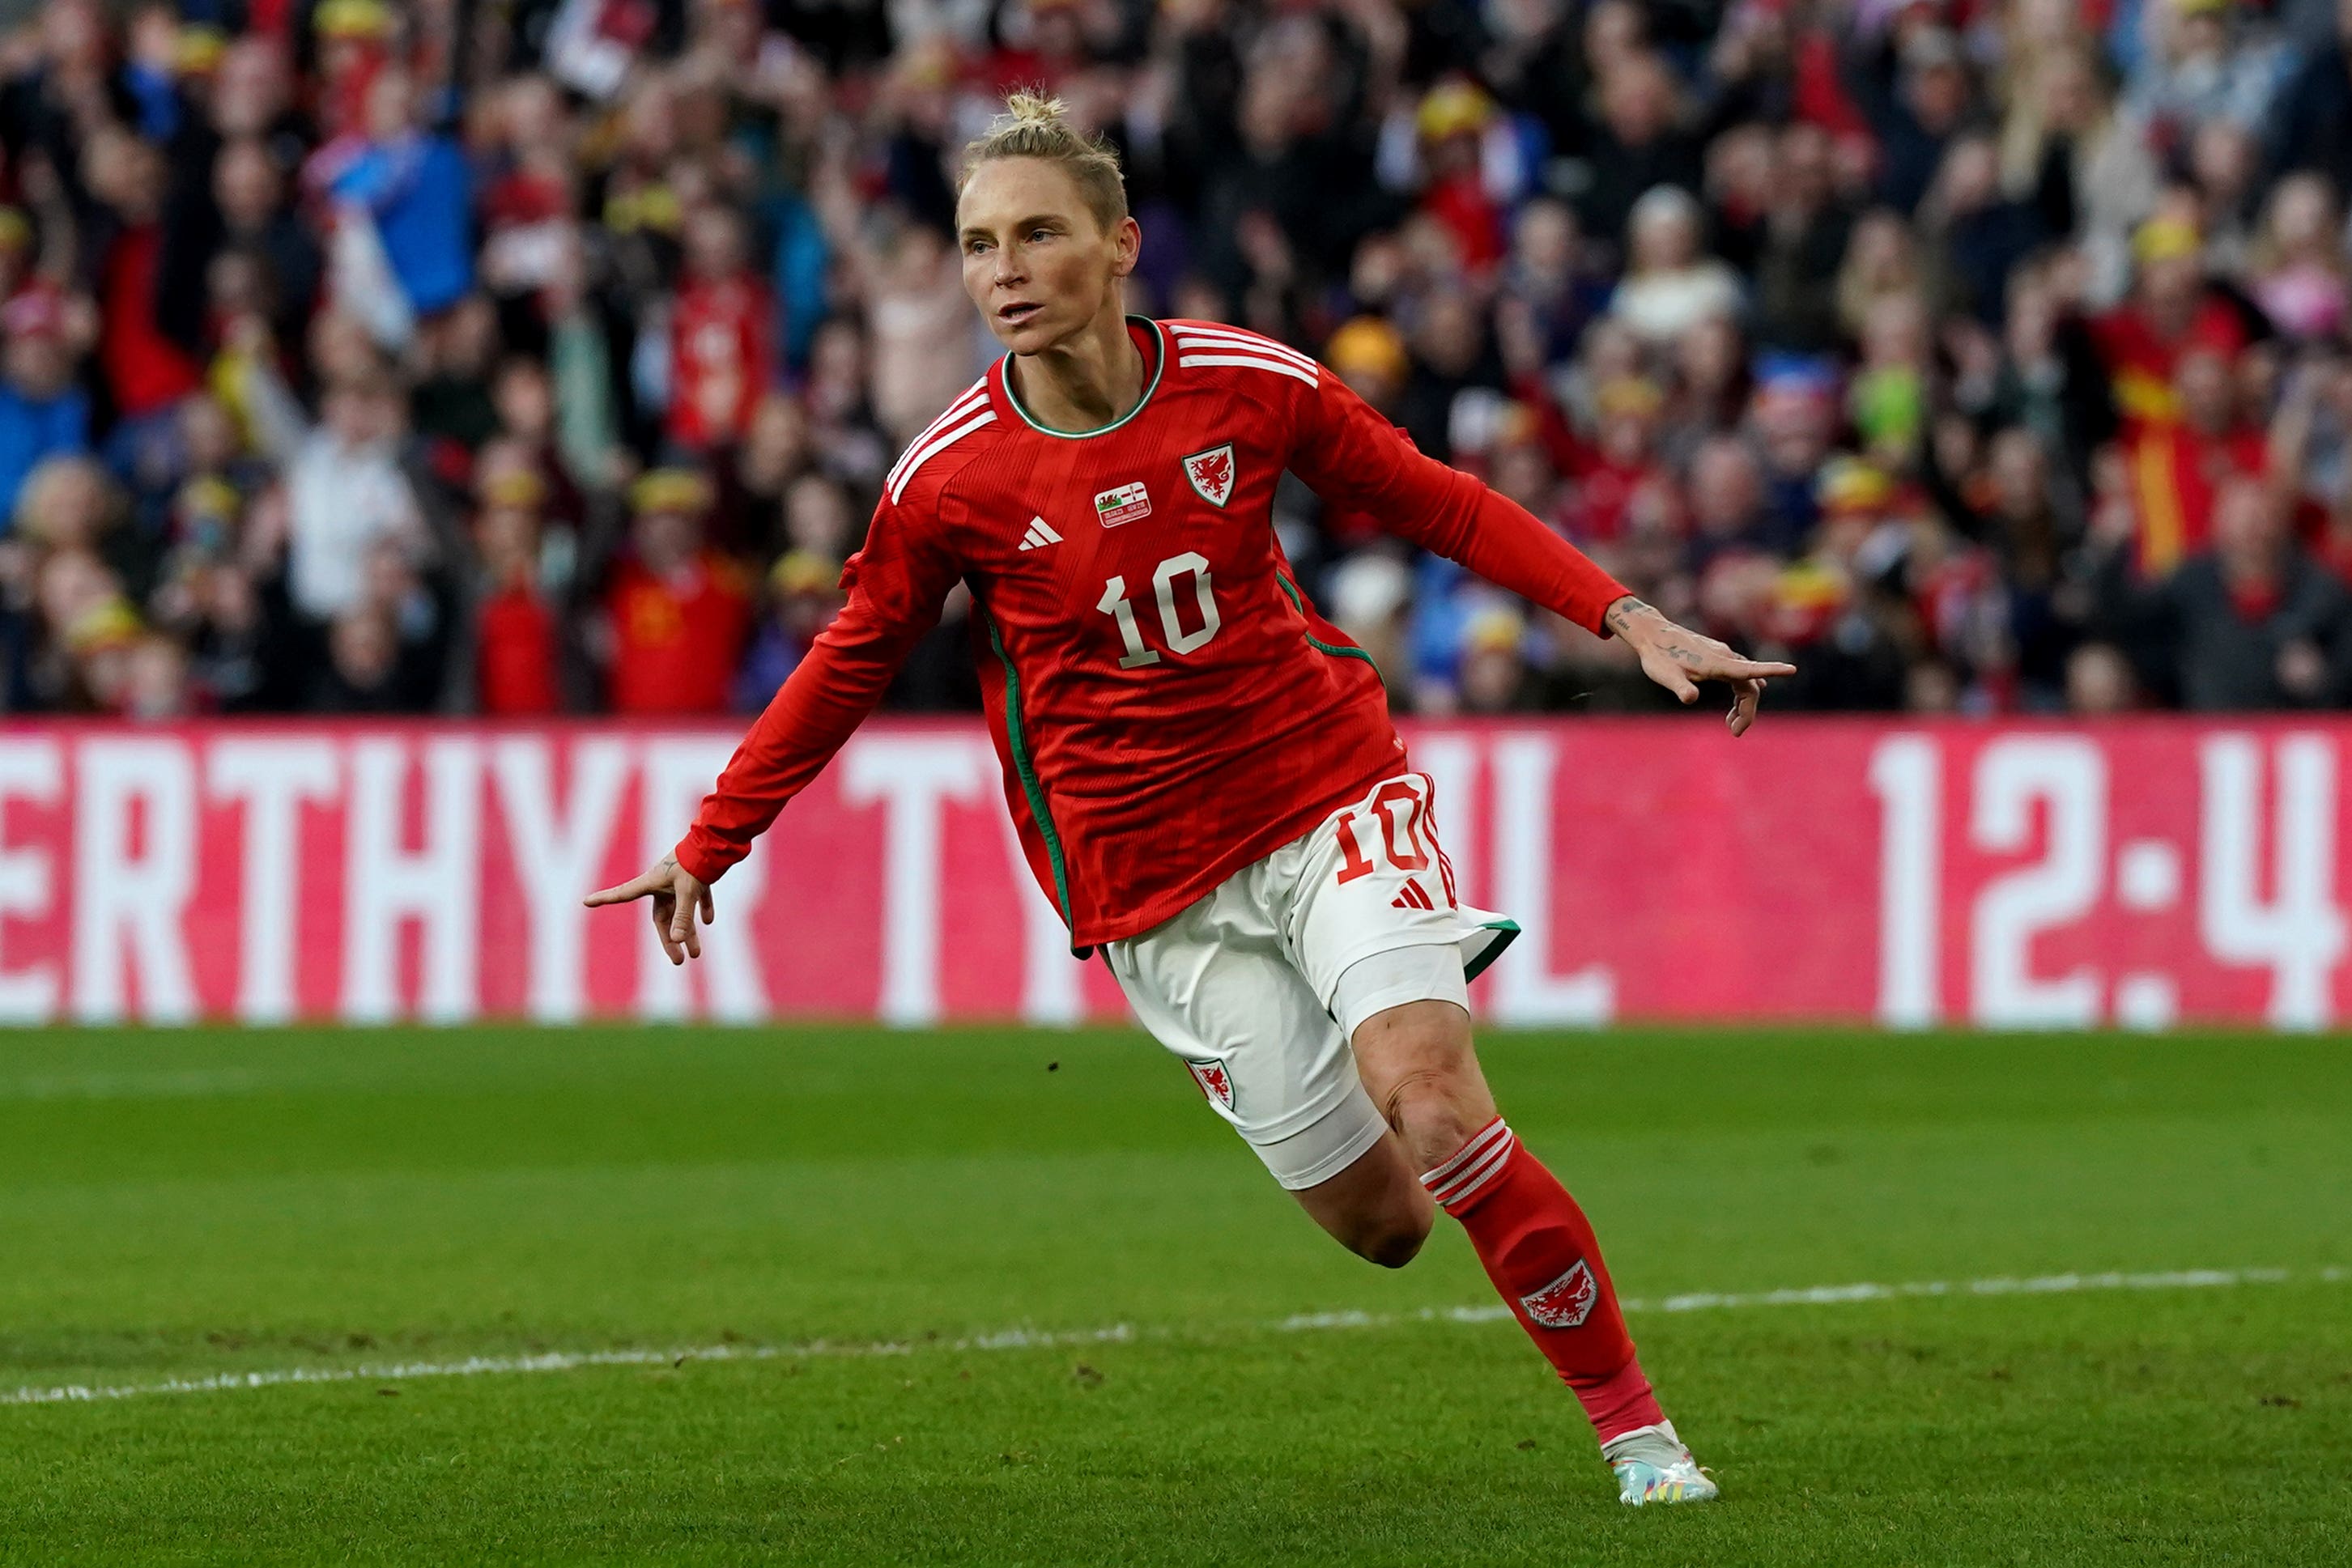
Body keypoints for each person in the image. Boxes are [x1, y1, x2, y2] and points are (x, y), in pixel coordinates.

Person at [587, 94, 1794, 1507]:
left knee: (1434, 1099)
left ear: (1118, 247)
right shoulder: (947, 480)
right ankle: (1369, 1032)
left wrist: (1627, 615)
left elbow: (1438, 504)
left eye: (1038, 234)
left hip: (1324, 788)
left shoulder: (1246, 381)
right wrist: (707, 843)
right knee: (1388, 1223)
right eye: (980, 245)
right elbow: (846, 663)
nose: (1005, 271)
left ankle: (1640, 1440)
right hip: (1153, 885)